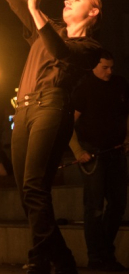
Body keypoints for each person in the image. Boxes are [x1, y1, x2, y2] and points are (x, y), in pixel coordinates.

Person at [0, 0, 103, 274]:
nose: (67, 1)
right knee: (27, 193)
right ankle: (56, 259)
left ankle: (42, 259)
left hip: (52, 108)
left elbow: (61, 52)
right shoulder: (47, 28)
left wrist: (37, 11)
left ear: (94, 12)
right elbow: (19, 5)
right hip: (23, 110)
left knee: (34, 186)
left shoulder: (91, 48)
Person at [69, 50, 129, 271]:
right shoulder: (84, 88)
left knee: (118, 203)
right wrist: (77, 151)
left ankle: (105, 252)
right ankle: (96, 256)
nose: (110, 71)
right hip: (93, 153)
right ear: (94, 66)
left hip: (116, 152)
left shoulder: (120, 84)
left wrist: (127, 138)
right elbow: (69, 123)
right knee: (94, 207)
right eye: (105, 67)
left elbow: (126, 114)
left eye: (112, 67)